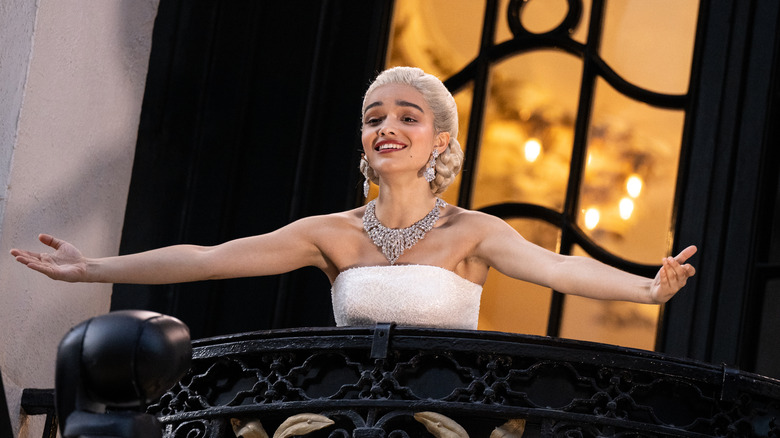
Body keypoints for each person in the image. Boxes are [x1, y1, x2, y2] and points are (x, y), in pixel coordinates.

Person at [10, 66, 697, 330]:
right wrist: (92, 268)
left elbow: (560, 268)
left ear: (439, 140)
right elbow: (210, 257)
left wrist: (646, 289)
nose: (388, 128)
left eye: (406, 116)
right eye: (374, 118)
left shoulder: (474, 234)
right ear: (363, 139)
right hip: (345, 414)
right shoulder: (328, 233)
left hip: (446, 416)